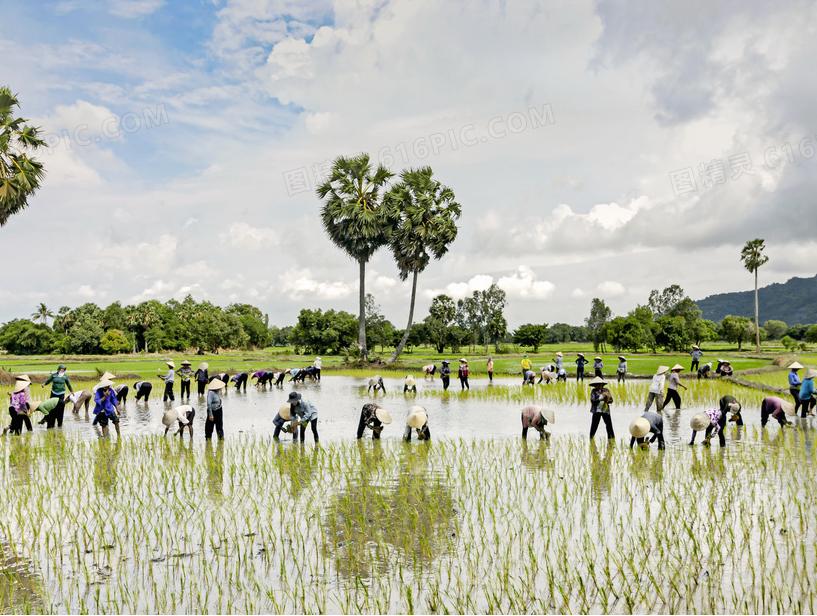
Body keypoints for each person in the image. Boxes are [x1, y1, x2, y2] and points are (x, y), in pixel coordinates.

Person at [42, 364, 73, 428]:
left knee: (60, 407)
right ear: (58, 369)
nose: (62, 370)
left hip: (61, 394)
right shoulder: (53, 375)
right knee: (51, 406)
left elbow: (68, 384)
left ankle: (59, 422)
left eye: (63, 369)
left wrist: (71, 391)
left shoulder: (65, 376)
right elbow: (48, 381)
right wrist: (44, 384)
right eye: (61, 369)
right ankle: (46, 418)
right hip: (54, 393)